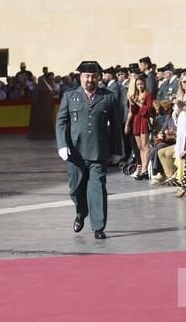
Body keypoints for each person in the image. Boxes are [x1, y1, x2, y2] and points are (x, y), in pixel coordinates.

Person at [55, 61, 123, 240]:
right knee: (75, 189)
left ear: (99, 77)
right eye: (86, 76)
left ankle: (98, 226)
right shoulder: (70, 96)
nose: (90, 80)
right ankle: (81, 212)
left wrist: (117, 150)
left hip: (99, 151)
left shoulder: (107, 97)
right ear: (80, 77)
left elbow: (116, 126)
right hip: (75, 152)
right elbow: (61, 122)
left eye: (93, 76)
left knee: (97, 188)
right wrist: (62, 145)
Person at [125, 75, 153, 180]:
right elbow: (133, 111)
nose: (139, 86)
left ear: (144, 83)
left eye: (141, 84)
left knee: (145, 146)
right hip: (136, 120)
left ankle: (145, 169)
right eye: (137, 84)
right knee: (140, 147)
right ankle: (142, 169)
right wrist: (132, 101)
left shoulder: (148, 94)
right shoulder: (136, 95)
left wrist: (136, 102)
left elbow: (147, 109)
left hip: (144, 120)